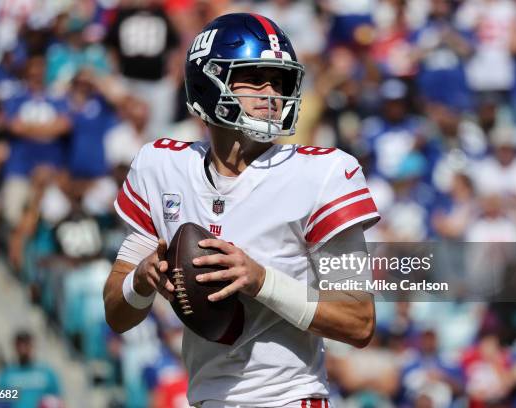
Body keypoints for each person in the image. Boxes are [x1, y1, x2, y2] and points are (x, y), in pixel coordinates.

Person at [103, 13, 380, 407]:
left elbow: (359, 321)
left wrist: (261, 281)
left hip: (288, 399)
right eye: (254, 77)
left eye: (280, 81)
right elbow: (117, 313)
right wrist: (143, 281)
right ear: (207, 80)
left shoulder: (323, 174)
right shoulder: (162, 167)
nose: (271, 94)